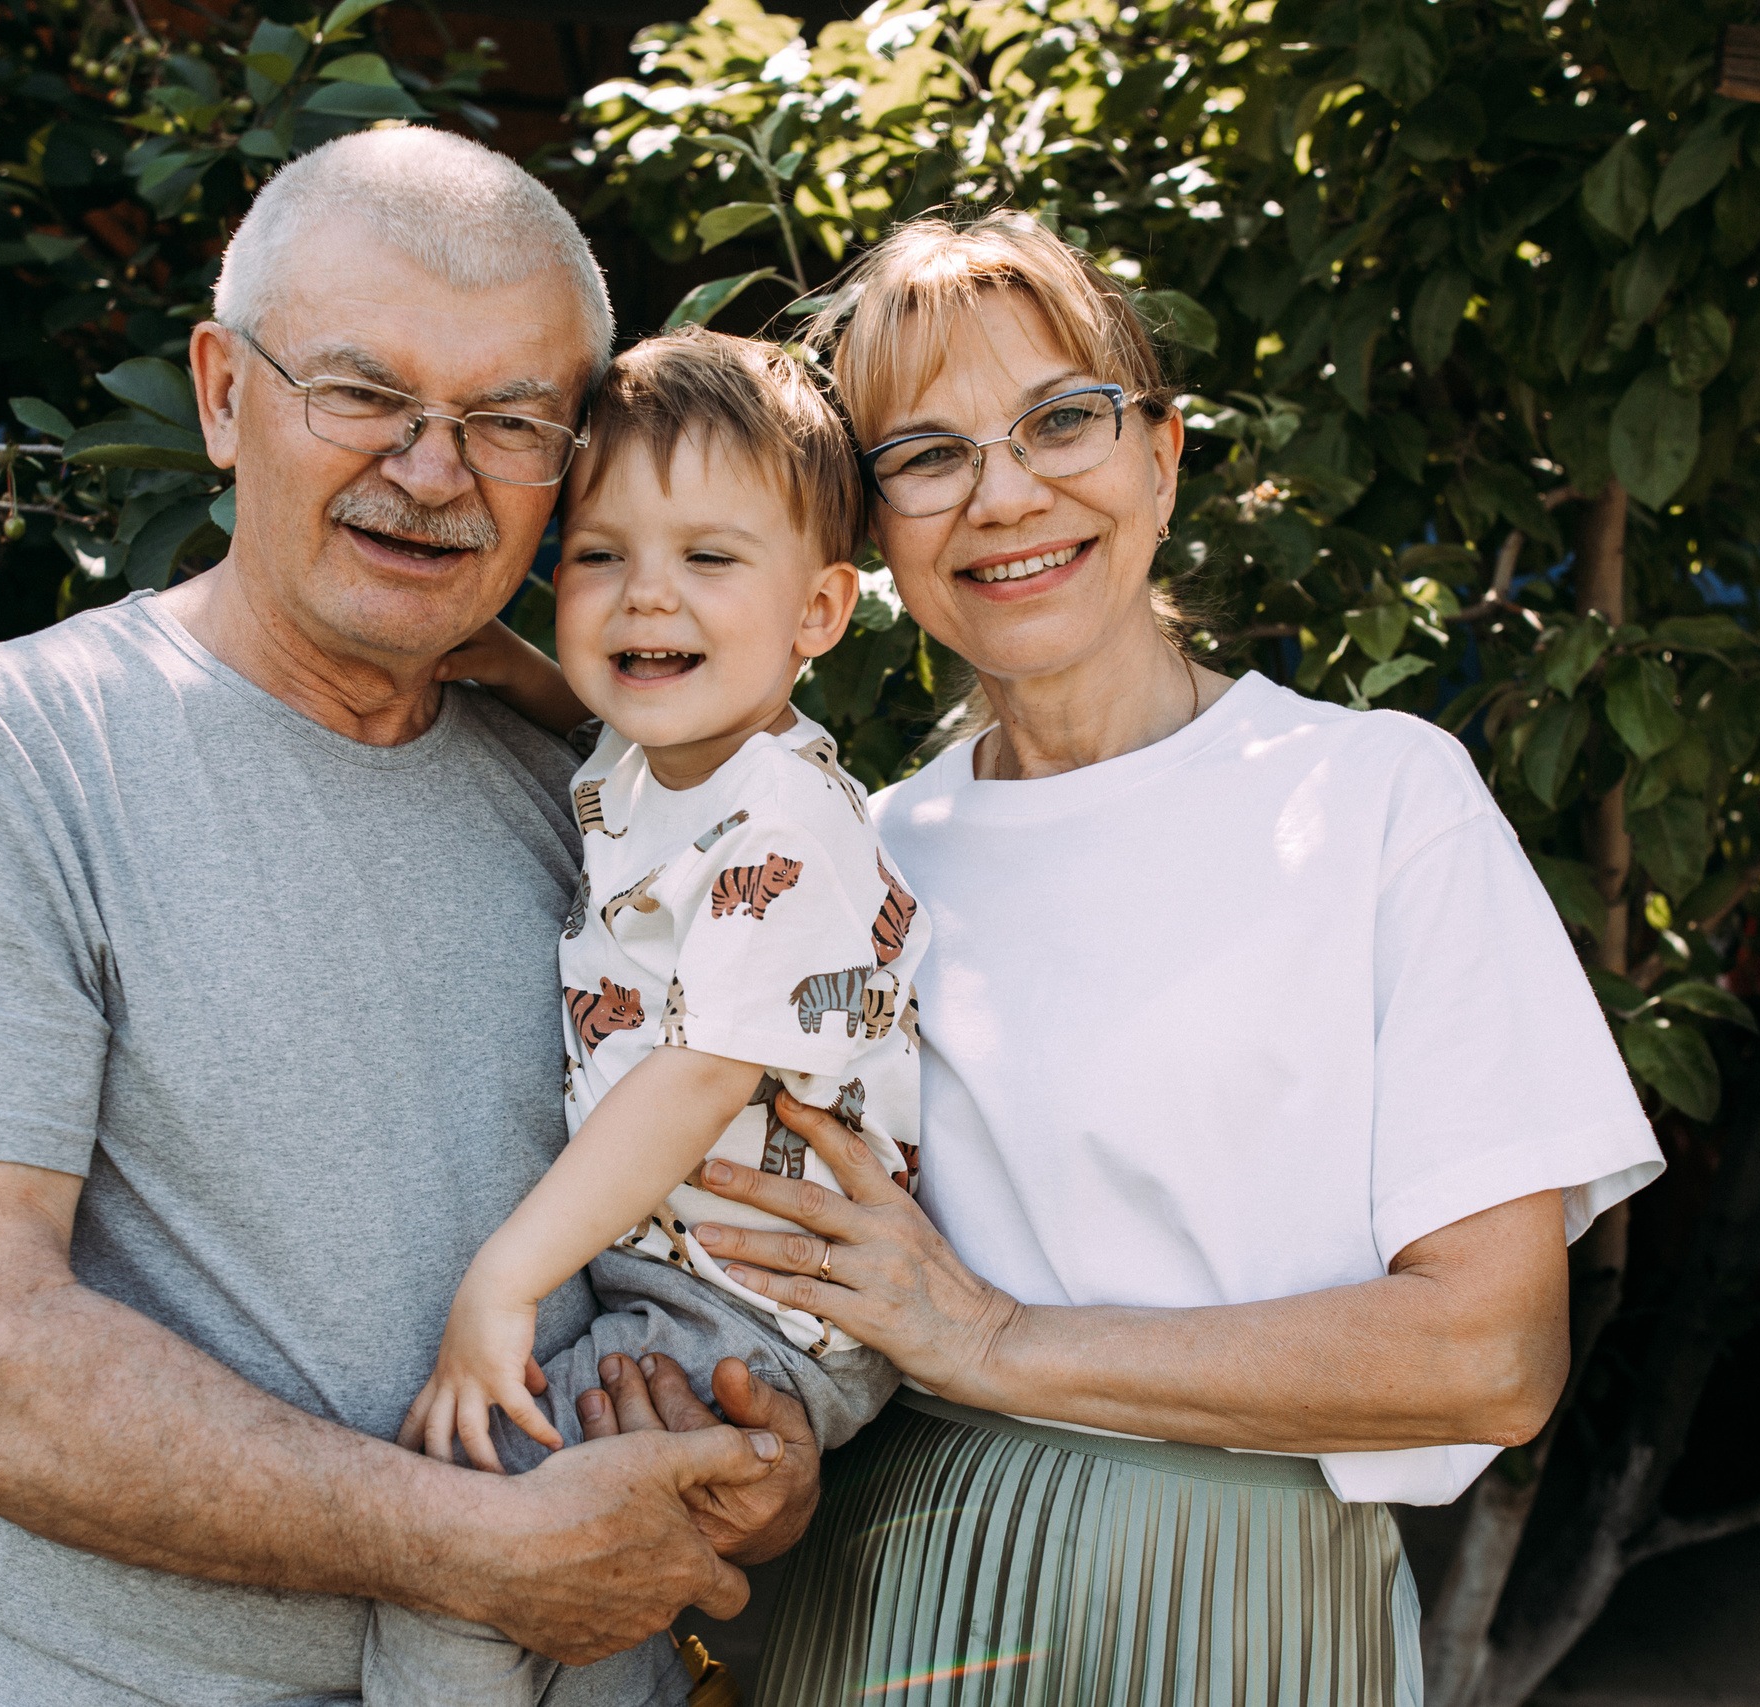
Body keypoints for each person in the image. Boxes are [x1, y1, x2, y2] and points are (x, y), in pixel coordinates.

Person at [0, 128, 823, 1707]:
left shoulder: (611, 799)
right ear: (221, 391)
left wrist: (764, 1448)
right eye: (362, 393)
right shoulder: (7, 756)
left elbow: (728, 1201)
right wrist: (462, 1544)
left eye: (510, 420)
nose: (431, 467)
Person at [682, 211, 1668, 1705]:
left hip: (1238, 1603)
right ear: (872, 535)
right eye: (928, 456)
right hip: (890, 1590)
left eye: (1061, 420)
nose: (1003, 495)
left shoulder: (1374, 797)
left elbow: (1493, 1353)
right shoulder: (856, 858)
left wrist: (999, 1340)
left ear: (1162, 452)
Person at [367, 328, 925, 1705]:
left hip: (754, 1319)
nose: (642, 599)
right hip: (690, 1289)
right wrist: (508, 664)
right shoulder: (666, 757)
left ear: (821, 612)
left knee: (467, 1528)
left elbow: (695, 1078)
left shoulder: (785, 820)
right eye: (602, 556)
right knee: (560, 1600)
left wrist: (500, 1283)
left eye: (710, 560)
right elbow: (619, 711)